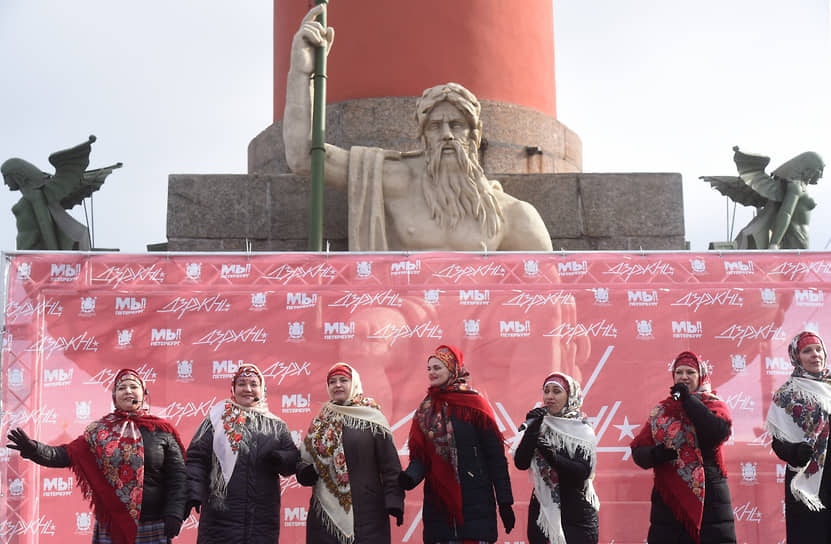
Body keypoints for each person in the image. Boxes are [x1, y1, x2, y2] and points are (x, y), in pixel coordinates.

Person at [283, 4, 553, 252]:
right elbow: (304, 157)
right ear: (423, 136)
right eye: (435, 126)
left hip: (476, 305)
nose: (446, 134)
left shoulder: (513, 214)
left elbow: (550, 291)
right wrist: (300, 72)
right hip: (402, 303)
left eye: (456, 125)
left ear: (475, 136)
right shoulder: (395, 180)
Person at [5, 368, 186, 544]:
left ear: (144, 392)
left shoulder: (161, 431)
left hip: (153, 524)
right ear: (114, 397)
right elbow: (65, 454)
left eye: (134, 386)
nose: (128, 391)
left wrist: (175, 513)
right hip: (113, 526)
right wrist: (34, 449)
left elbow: (178, 477)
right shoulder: (99, 431)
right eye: (122, 388)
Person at [399, 344, 515, 543]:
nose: (431, 373)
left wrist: (505, 502)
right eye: (429, 369)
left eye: (437, 368)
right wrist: (409, 477)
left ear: (452, 368)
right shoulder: (426, 409)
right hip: (439, 506)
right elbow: (421, 458)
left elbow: (496, 458)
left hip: (475, 504)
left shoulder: (476, 405)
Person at [184, 364, 299, 544]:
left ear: (262, 389)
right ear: (233, 388)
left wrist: (281, 458)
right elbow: (197, 459)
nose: (248, 389)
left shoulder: (276, 425)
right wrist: (193, 491)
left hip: (262, 520)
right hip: (220, 519)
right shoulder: (216, 419)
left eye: (254, 384)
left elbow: (293, 461)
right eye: (242, 384)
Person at [630, 352, 736, 544]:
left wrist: (688, 400)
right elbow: (638, 450)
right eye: (679, 372)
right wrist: (656, 454)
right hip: (669, 503)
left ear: (701, 376)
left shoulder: (713, 404)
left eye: (690, 372)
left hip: (709, 499)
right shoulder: (661, 411)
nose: (684, 377)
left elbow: (717, 432)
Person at [296, 362, 404, 543]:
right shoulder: (320, 421)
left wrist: (394, 500)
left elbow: (390, 465)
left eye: (343, 380)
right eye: (332, 382)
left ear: (354, 383)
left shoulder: (372, 419)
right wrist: (305, 472)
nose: (337, 385)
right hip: (325, 516)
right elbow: (303, 459)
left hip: (368, 512)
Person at [513, 372, 599, 544]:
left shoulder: (582, 430)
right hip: (543, 513)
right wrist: (532, 429)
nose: (550, 396)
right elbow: (521, 463)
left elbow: (582, 471)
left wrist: (552, 457)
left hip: (576, 516)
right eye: (546, 391)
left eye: (557, 391)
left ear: (570, 396)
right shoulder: (540, 425)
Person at [766, 331, 831, 541]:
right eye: (807, 351)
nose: (815, 355)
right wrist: (794, 452)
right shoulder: (786, 394)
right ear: (796, 357)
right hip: (806, 479)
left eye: (818, 349)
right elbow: (778, 443)